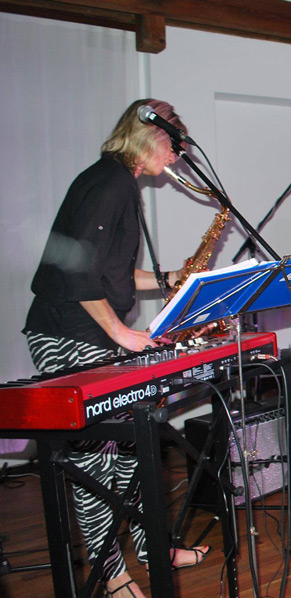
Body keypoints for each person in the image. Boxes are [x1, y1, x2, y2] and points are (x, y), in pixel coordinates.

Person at [22, 99, 209, 598]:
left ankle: (153, 549)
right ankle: (110, 573)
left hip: (89, 332)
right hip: (67, 333)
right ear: (149, 135)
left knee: (132, 446)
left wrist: (172, 278)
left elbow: (114, 273)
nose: (176, 156)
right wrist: (121, 333)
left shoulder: (118, 183)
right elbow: (78, 270)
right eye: (173, 144)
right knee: (94, 462)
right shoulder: (109, 183)